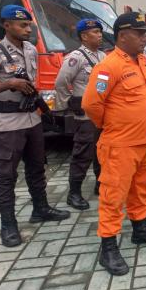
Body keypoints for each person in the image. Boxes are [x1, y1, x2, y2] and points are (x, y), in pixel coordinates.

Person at [0, 5, 70, 248]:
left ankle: (41, 208)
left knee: (37, 168)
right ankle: (8, 224)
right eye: (22, 25)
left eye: (29, 25)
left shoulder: (31, 50)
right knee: (6, 176)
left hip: (31, 120)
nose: (28, 29)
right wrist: (8, 84)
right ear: (7, 25)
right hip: (7, 123)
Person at [82, 12, 146, 276]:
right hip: (120, 144)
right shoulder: (108, 66)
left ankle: (140, 228)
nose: (145, 38)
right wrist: (114, 126)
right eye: (139, 33)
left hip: (145, 141)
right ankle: (108, 246)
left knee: (141, 189)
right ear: (122, 35)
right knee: (113, 195)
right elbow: (91, 104)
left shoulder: (143, 61)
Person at [55, 19, 106, 209]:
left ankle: (100, 184)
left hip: (102, 114)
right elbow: (61, 82)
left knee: (102, 152)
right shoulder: (75, 58)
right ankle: (74, 193)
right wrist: (70, 102)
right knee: (83, 154)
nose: (99, 35)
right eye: (95, 32)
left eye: (100, 32)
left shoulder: (102, 56)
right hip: (85, 116)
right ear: (84, 36)